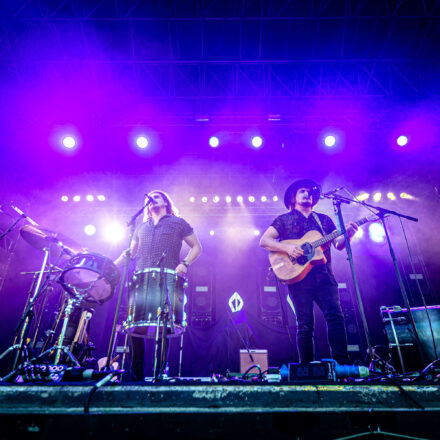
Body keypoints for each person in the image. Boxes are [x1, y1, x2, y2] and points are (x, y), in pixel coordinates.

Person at [259, 179, 358, 365]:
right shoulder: (283, 220)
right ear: (293, 198)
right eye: (302, 191)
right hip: (298, 279)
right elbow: (264, 241)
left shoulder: (324, 220)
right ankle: (306, 368)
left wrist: (349, 234)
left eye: (310, 192)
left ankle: (342, 366)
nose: (308, 194)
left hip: (325, 277)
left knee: (335, 317)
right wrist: (288, 249)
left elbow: (339, 245)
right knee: (305, 324)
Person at [115, 190, 201, 380]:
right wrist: (111, 267)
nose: (151, 200)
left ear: (165, 202)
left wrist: (184, 264)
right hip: (141, 278)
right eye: (149, 198)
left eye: (156, 197)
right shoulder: (141, 227)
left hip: (166, 277)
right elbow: (130, 253)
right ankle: (135, 376)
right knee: (135, 325)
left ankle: (159, 372)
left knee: (163, 324)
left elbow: (197, 246)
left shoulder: (178, 222)